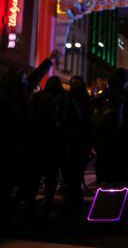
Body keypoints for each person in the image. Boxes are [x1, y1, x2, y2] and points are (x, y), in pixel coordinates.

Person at [0, 51, 57, 224]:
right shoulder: (14, 101)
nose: (27, 81)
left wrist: (48, 61)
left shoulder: (15, 97)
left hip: (16, 150)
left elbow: (33, 78)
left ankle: (10, 211)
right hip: (13, 150)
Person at [25, 76, 78, 220]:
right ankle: (48, 208)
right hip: (55, 144)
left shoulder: (37, 97)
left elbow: (29, 119)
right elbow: (74, 120)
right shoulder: (65, 99)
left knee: (34, 178)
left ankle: (29, 207)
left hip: (37, 143)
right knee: (51, 178)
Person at [92, 68, 128, 185]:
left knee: (104, 177)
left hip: (104, 142)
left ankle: (103, 200)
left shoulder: (105, 94)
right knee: (123, 178)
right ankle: (121, 200)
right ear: (126, 80)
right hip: (124, 143)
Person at [62, 75, 93, 215]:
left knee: (74, 174)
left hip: (79, 142)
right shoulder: (76, 100)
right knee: (71, 174)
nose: (75, 86)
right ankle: (73, 202)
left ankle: (73, 202)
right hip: (74, 141)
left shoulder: (82, 101)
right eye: (73, 83)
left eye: (77, 83)